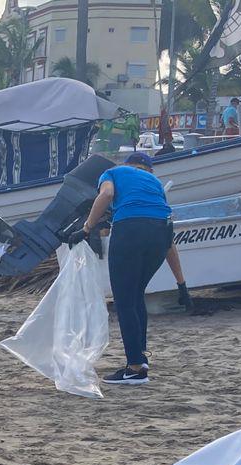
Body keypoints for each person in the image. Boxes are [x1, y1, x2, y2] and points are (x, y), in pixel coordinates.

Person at [73, 151, 191, 385]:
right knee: (136, 294)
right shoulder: (155, 183)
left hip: (131, 229)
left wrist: (87, 228)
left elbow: (106, 194)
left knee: (125, 299)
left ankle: (135, 369)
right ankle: (140, 357)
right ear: (148, 169)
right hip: (160, 234)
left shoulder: (113, 172)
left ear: (127, 164)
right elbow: (169, 241)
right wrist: (182, 284)